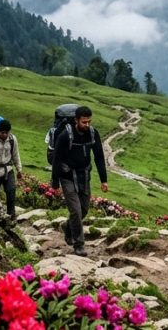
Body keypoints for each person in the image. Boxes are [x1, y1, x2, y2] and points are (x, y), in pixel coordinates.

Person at [52, 105, 108, 256]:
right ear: (76, 120)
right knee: (76, 211)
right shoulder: (65, 136)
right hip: (67, 176)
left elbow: (99, 157)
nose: (87, 125)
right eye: (84, 122)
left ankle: (68, 226)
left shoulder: (93, 134)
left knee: (84, 209)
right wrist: (55, 182)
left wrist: (104, 180)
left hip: (84, 176)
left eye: (89, 121)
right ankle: (79, 245)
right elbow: (56, 159)